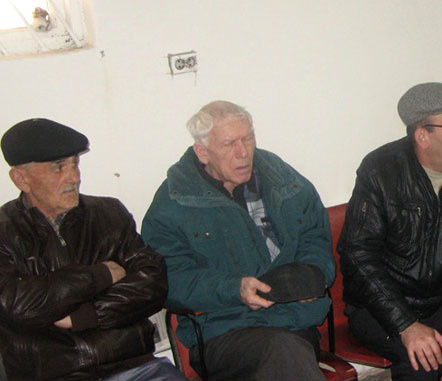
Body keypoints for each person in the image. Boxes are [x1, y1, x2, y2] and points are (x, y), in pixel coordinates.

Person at [142, 100, 335, 381]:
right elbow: (168, 279)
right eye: (229, 143)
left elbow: (314, 235)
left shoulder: (281, 177)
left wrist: (313, 275)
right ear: (202, 152)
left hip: (292, 320)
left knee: (285, 353)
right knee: (283, 353)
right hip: (222, 332)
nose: (243, 153)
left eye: (248, 138)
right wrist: (234, 289)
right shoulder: (174, 202)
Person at [0, 118, 187, 381]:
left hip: (134, 368)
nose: (74, 177)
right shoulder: (4, 232)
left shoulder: (108, 213)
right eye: (58, 168)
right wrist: (100, 275)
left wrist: (84, 315)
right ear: (21, 179)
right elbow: (17, 304)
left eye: (75, 163)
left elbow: (152, 283)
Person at [338, 82, 442, 380]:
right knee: (425, 361)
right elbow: (357, 255)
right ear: (423, 135)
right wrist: (406, 324)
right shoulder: (380, 170)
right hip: (381, 306)